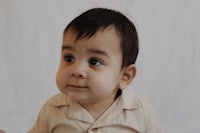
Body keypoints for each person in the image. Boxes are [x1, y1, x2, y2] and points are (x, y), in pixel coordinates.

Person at [28, 8, 163, 133]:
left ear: (125, 76)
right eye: (69, 58)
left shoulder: (140, 111)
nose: (77, 70)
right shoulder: (53, 109)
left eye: (94, 62)